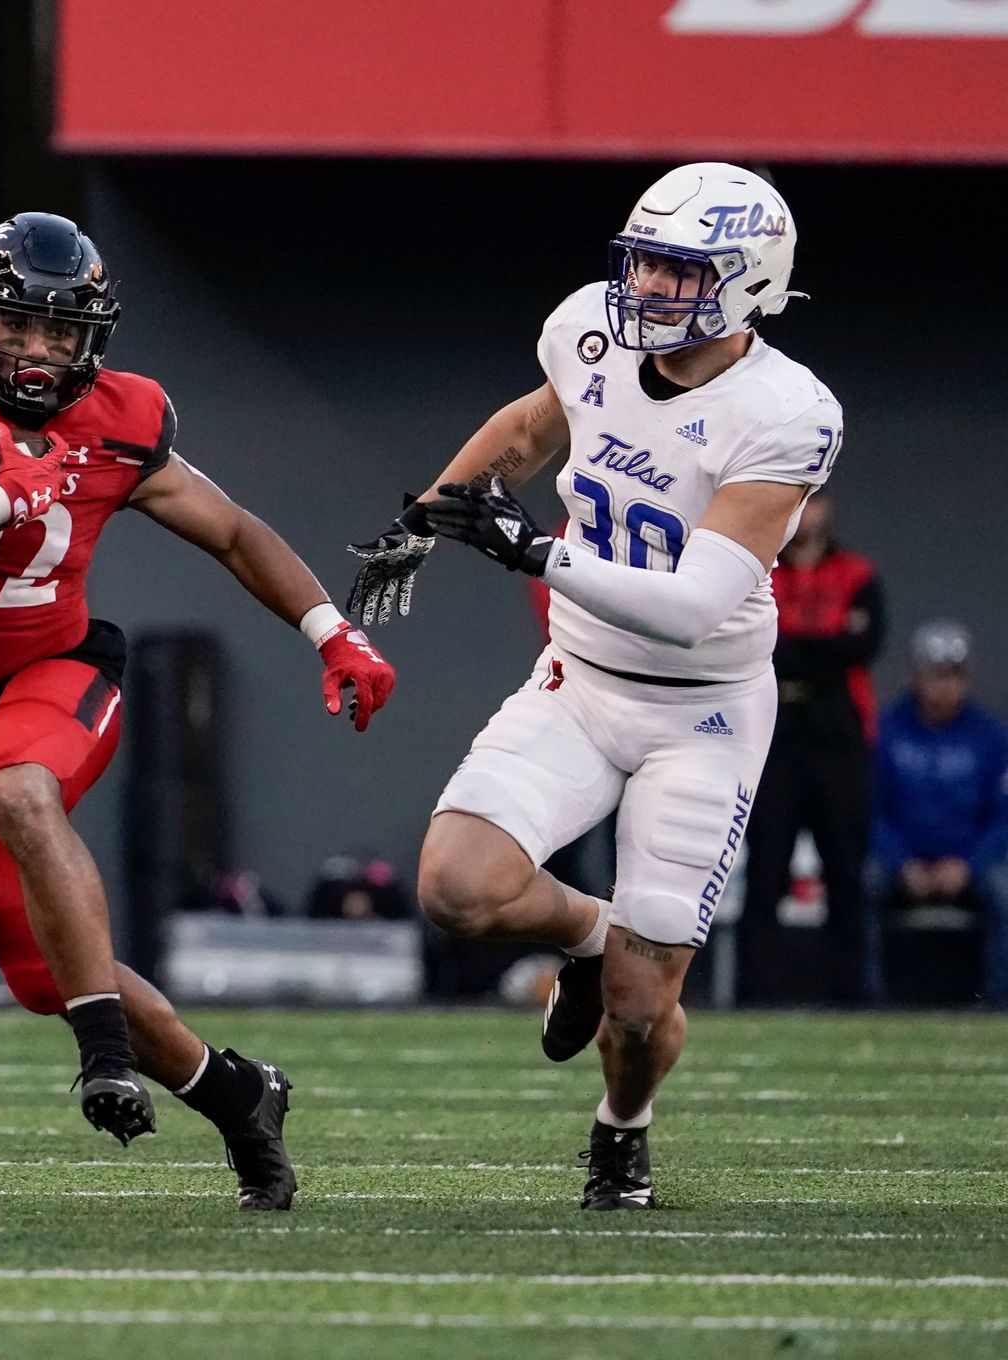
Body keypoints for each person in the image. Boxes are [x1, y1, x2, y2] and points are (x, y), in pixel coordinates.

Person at [0, 212, 396, 1211]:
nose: (42, 352)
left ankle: (103, 1057)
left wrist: (330, 630)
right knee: (41, 966)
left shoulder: (124, 418)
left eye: (62, 333)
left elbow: (230, 530)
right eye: (21, 327)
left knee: (19, 787)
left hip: (57, 669)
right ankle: (238, 1095)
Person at [347, 163, 841, 1209]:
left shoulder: (784, 412)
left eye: (679, 267)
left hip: (700, 709)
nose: (649, 286)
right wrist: (431, 514)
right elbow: (530, 427)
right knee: (455, 888)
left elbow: (694, 602)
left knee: (638, 1005)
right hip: (576, 677)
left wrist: (532, 551)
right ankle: (583, 931)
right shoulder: (591, 330)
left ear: (751, 282)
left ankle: (622, 1129)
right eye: (644, 260)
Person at [737, 494, 884, 1004]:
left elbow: (863, 647)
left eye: (819, 501)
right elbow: (751, 641)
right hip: (773, 739)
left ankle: (852, 995)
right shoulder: (757, 569)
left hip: (839, 743)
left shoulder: (856, 573)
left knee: (845, 872)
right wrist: (826, 646)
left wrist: (793, 650)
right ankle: (757, 995)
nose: (810, 513)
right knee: (766, 872)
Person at [869, 621, 1008, 1006]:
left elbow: (1003, 816)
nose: (945, 687)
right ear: (916, 675)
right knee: (862, 883)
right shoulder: (886, 731)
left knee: (1005, 889)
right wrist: (901, 862)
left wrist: (967, 864)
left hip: (968, 862)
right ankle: (867, 997)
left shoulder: (992, 737)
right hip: (902, 861)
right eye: (935, 675)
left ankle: (999, 1002)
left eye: (953, 676)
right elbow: (870, 810)